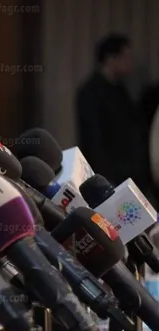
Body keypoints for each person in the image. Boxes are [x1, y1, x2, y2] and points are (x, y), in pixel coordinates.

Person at [77, 33, 157, 208]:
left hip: (132, 176)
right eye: (126, 57)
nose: (131, 62)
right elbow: (93, 142)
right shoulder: (91, 92)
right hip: (110, 178)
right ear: (111, 58)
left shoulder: (121, 89)